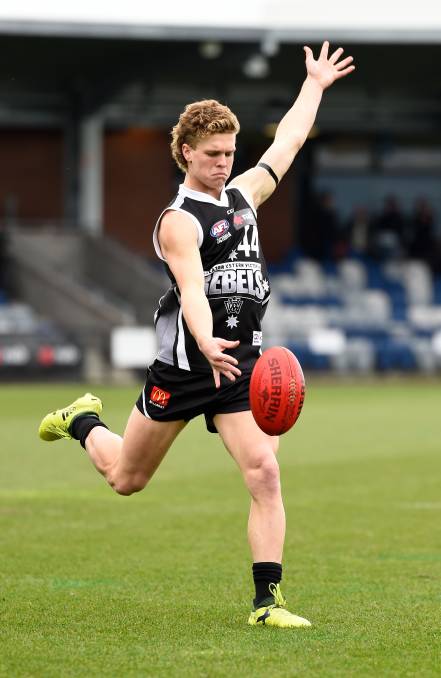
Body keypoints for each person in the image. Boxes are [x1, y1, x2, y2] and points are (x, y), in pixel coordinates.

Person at [38, 41, 355, 628]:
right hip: (186, 367)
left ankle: (268, 603)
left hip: (241, 368)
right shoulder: (178, 221)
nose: (225, 162)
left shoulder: (245, 196)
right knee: (126, 479)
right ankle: (83, 420)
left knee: (264, 469)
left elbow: (286, 142)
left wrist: (313, 85)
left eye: (231, 152)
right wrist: (206, 341)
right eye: (212, 153)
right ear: (185, 152)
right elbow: (190, 289)